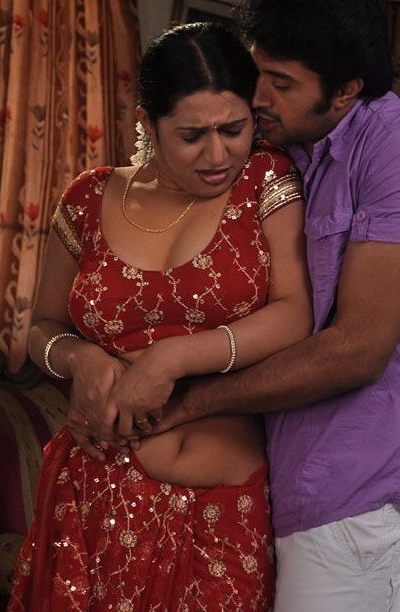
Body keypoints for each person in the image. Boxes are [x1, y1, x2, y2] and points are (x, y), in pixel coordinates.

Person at [8, 22, 312, 611]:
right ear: (148, 123)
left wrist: (171, 359)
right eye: (192, 136)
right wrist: (79, 358)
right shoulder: (89, 198)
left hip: (220, 513)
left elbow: (294, 313)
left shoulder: (265, 179)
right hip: (91, 502)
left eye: (234, 129)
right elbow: (42, 327)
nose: (218, 154)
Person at [138, 2, 400, 611]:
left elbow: (358, 349)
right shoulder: (285, 150)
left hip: (358, 506)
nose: (257, 98)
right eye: (257, 74)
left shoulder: (388, 144)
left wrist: (186, 400)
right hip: (283, 490)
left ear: (345, 91)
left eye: (281, 83)